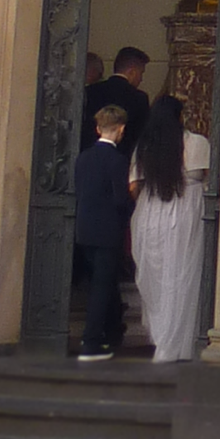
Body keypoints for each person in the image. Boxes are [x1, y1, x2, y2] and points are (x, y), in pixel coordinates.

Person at [127, 93, 209, 363]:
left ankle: (163, 337)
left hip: (152, 211)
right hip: (186, 211)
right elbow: (207, 178)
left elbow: (134, 186)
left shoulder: (145, 147)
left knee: (157, 275)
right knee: (184, 272)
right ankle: (182, 338)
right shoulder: (195, 142)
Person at [73, 106, 132, 361]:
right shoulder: (118, 160)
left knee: (101, 284)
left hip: (85, 228)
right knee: (101, 285)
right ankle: (92, 341)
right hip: (107, 230)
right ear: (121, 130)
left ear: (98, 129)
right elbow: (121, 199)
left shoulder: (83, 157)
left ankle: (109, 332)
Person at [82, 47, 152, 159]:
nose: (141, 79)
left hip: (90, 157)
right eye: (141, 73)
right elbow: (141, 136)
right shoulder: (139, 98)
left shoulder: (90, 91)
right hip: (124, 160)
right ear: (132, 72)